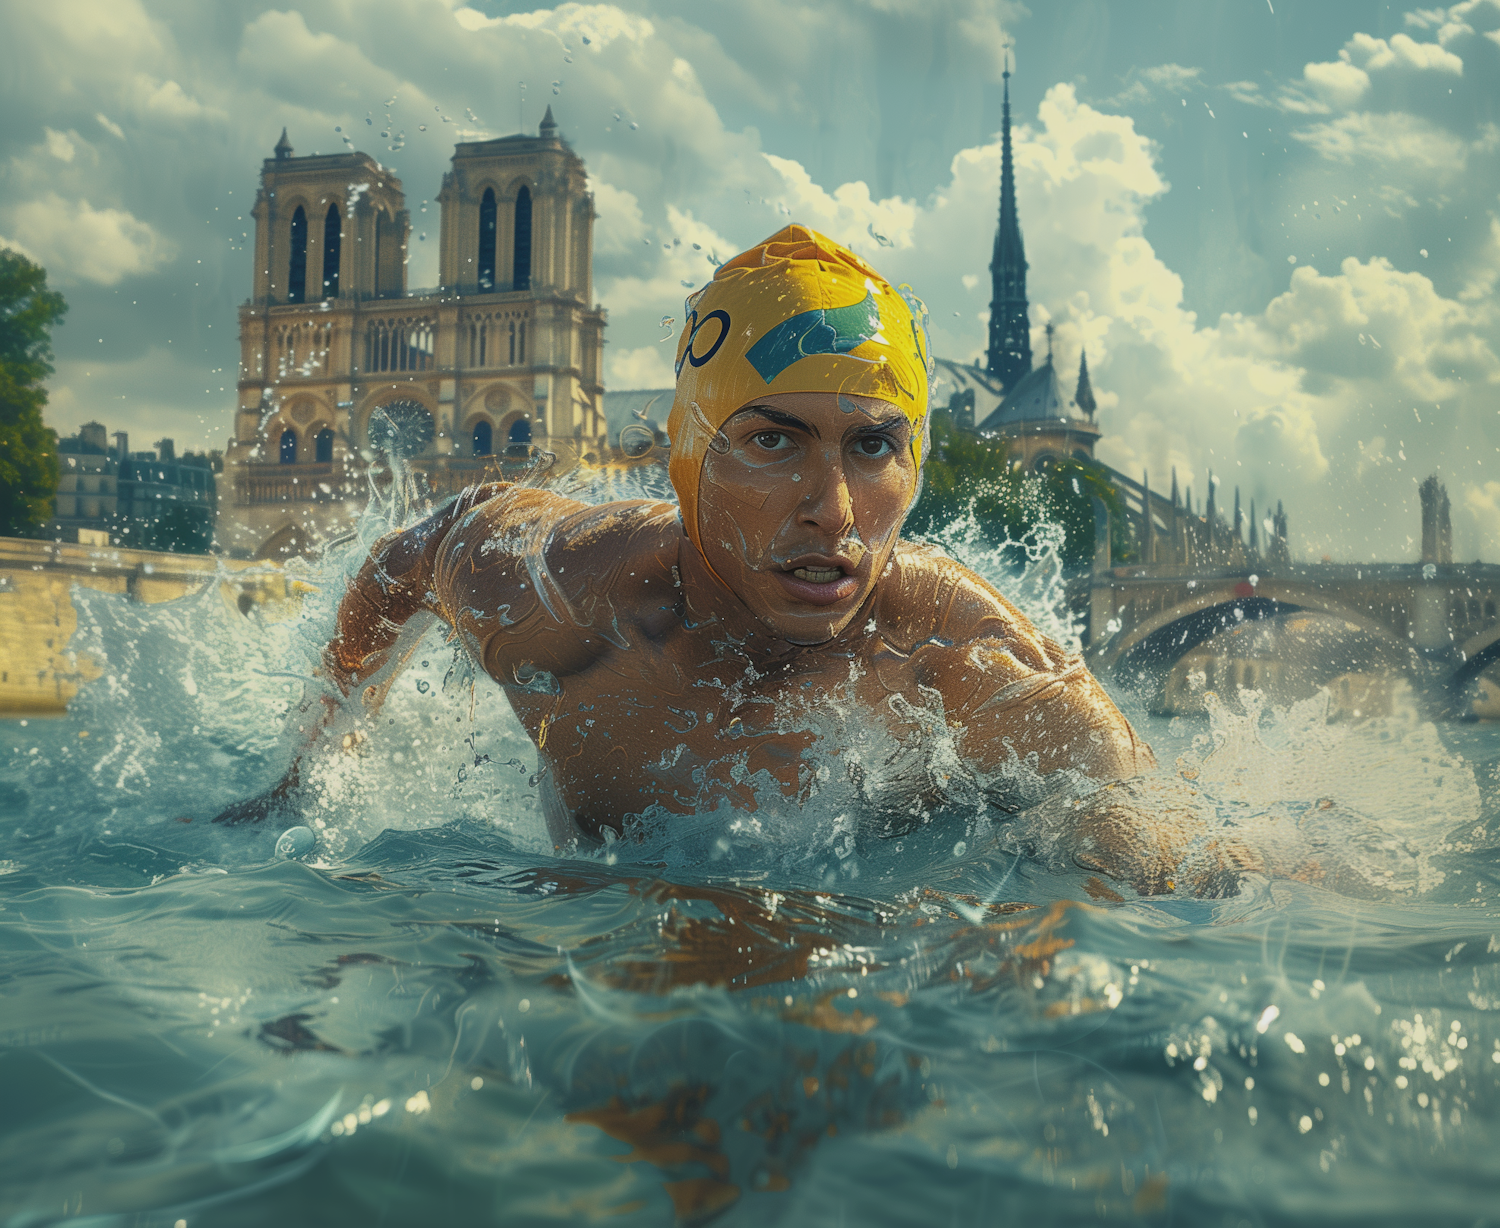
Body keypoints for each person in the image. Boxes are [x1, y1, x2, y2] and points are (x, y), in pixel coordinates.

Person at [219, 226, 1338, 897]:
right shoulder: (555, 590)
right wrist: (303, 774)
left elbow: (1171, 845)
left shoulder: (963, 655)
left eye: (873, 445)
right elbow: (402, 563)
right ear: (685, 459)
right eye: (771, 441)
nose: (833, 509)